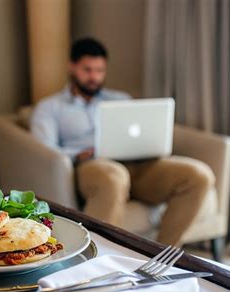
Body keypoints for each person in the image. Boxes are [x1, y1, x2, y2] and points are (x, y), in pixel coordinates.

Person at [30, 38, 214, 246]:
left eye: (100, 70)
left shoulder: (120, 99)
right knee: (115, 176)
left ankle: (161, 258)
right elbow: (44, 152)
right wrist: (77, 155)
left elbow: (140, 131)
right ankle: (97, 260)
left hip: (138, 164)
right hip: (93, 165)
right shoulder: (50, 107)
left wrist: (150, 144)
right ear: (72, 67)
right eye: (87, 70)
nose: (94, 77)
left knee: (199, 175)